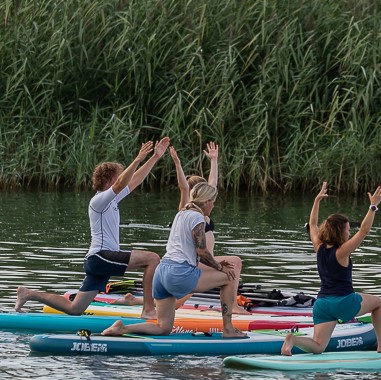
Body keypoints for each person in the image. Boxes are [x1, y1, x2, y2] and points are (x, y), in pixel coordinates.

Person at [14, 139, 169, 319]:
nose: (123, 179)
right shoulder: (98, 201)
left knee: (75, 308)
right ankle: (148, 309)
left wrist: (155, 158)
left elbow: (133, 182)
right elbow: (121, 183)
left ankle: (27, 293)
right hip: (100, 257)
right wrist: (137, 159)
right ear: (109, 180)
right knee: (152, 258)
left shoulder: (112, 200)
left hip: (98, 262)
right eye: (119, 175)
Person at [115, 142, 247, 313]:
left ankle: (134, 299)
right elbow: (183, 187)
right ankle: (233, 307)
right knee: (235, 262)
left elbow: (213, 184)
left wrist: (214, 160)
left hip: (201, 264)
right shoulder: (188, 209)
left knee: (176, 304)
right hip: (197, 264)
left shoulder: (202, 210)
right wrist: (177, 165)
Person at [101, 183, 245, 338]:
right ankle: (228, 328)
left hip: (161, 273)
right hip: (178, 273)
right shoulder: (197, 217)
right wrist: (219, 267)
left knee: (163, 328)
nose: (213, 205)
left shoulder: (181, 214)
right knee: (229, 277)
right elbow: (202, 251)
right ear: (205, 202)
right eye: (213, 201)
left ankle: (122, 328)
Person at [280, 182, 381, 355]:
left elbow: (312, 224)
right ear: (341, 232)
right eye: (348, 230)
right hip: (343, 302)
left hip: (321, 304)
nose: (349, 233)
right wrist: (373, 207)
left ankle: (293, 339)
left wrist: (317, 201)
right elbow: (364, 231)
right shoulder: (341, 252)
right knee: (378, 303)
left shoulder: (318, 247)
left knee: (319, 346)